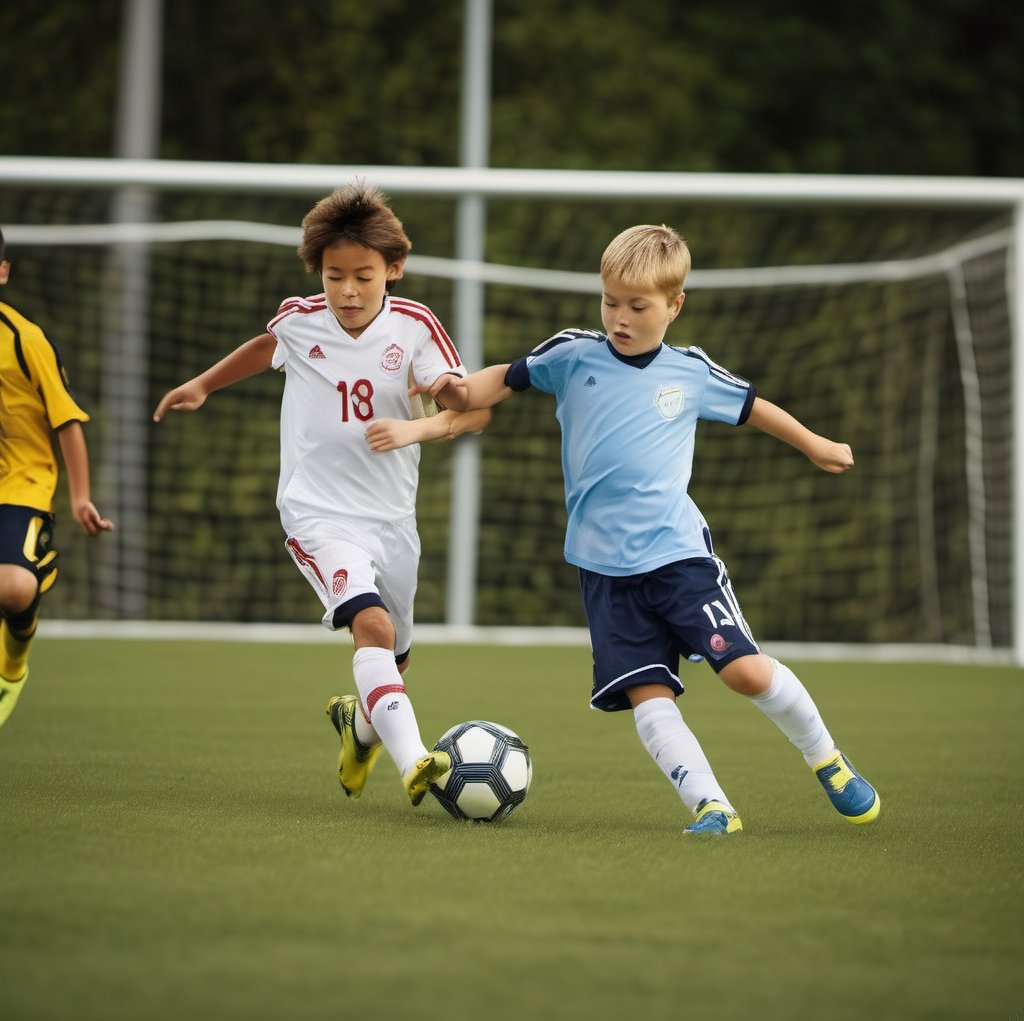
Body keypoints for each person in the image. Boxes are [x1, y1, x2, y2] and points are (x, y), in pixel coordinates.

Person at [407, 222, 880, 836]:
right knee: (648, 695)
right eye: (610, 302)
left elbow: (753, 407)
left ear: (674, 305)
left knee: (743, 672)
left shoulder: (690, 372)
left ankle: (829, 761)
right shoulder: (572, 354)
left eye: (637, 306)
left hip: (679, 556)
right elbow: (505, 378)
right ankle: (713, 808)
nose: (620, 318)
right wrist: (458, 389)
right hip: (603, 569)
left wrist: (815, 444)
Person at [153, 182, 489, 807]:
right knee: (371, 624)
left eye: (363, 275)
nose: (349, 290)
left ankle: (359, 730)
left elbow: (467, 411)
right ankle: (417, 760)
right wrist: (202, 384)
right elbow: (265, 347)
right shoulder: (300, 321)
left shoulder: (415, 327)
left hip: (392, 518)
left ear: (393, 269)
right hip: (316, 512)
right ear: (319, 272)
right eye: (335, 275)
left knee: (394, 652)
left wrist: (428, 414)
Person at [0, 226, 114, 727]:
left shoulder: (26, 340)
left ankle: (11, 669)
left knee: (15, 589)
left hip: (21, 482)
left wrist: (81, 497)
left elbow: (65, 420)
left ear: (3, 272)